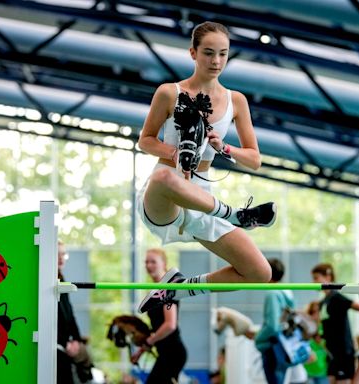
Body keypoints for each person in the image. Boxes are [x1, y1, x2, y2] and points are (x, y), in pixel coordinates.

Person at [136, 21, 275, 314]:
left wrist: (223, 148)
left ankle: (177, 289)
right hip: (165, 194)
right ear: (193, 53)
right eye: (209, 53)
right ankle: (235, 215)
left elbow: (255, 159)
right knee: (163, 176)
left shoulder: (236, 100)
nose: (216, 61)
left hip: (203, 197)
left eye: (222, 54)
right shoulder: (168, 92)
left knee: (260, 272)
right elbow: (145, 141)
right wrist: (174, 153)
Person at [141, 248, 187, 383]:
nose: (148, 265)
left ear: (164, 264)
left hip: (173, 353)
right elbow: (157, 327)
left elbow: (170, 325)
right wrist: (140, 351)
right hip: (165, 352)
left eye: (153, 262)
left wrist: (150, 341)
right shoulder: (156, 291)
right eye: (146, 262)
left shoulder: (167, 288)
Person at [311, 264, 359, 384]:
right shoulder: (323, 302)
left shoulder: (336, 297)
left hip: (343, 353)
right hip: (331, 354)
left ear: (328, 277)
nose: (313, 282)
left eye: (316, 278)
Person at [248, 258, 294, 384]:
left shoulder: (272, 294)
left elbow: (273, 326)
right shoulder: (287, 292)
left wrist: (258, 337)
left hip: (272, 347)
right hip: (284, 345)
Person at [57, 241, 94, 384]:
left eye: (63, 254)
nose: (61, 258)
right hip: (56, 345)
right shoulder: (45, 281)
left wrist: (77, 341)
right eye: (57, 254)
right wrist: (65, 343)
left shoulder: (62, 279)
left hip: (66, 344)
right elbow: (48, 320)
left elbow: (69, 314)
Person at [304, 301, 329, 384]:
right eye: (312, 312)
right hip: (307, 371)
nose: (316, 314)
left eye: (318, 311)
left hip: (323, 371)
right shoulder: (305, 329)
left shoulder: (325, 328)